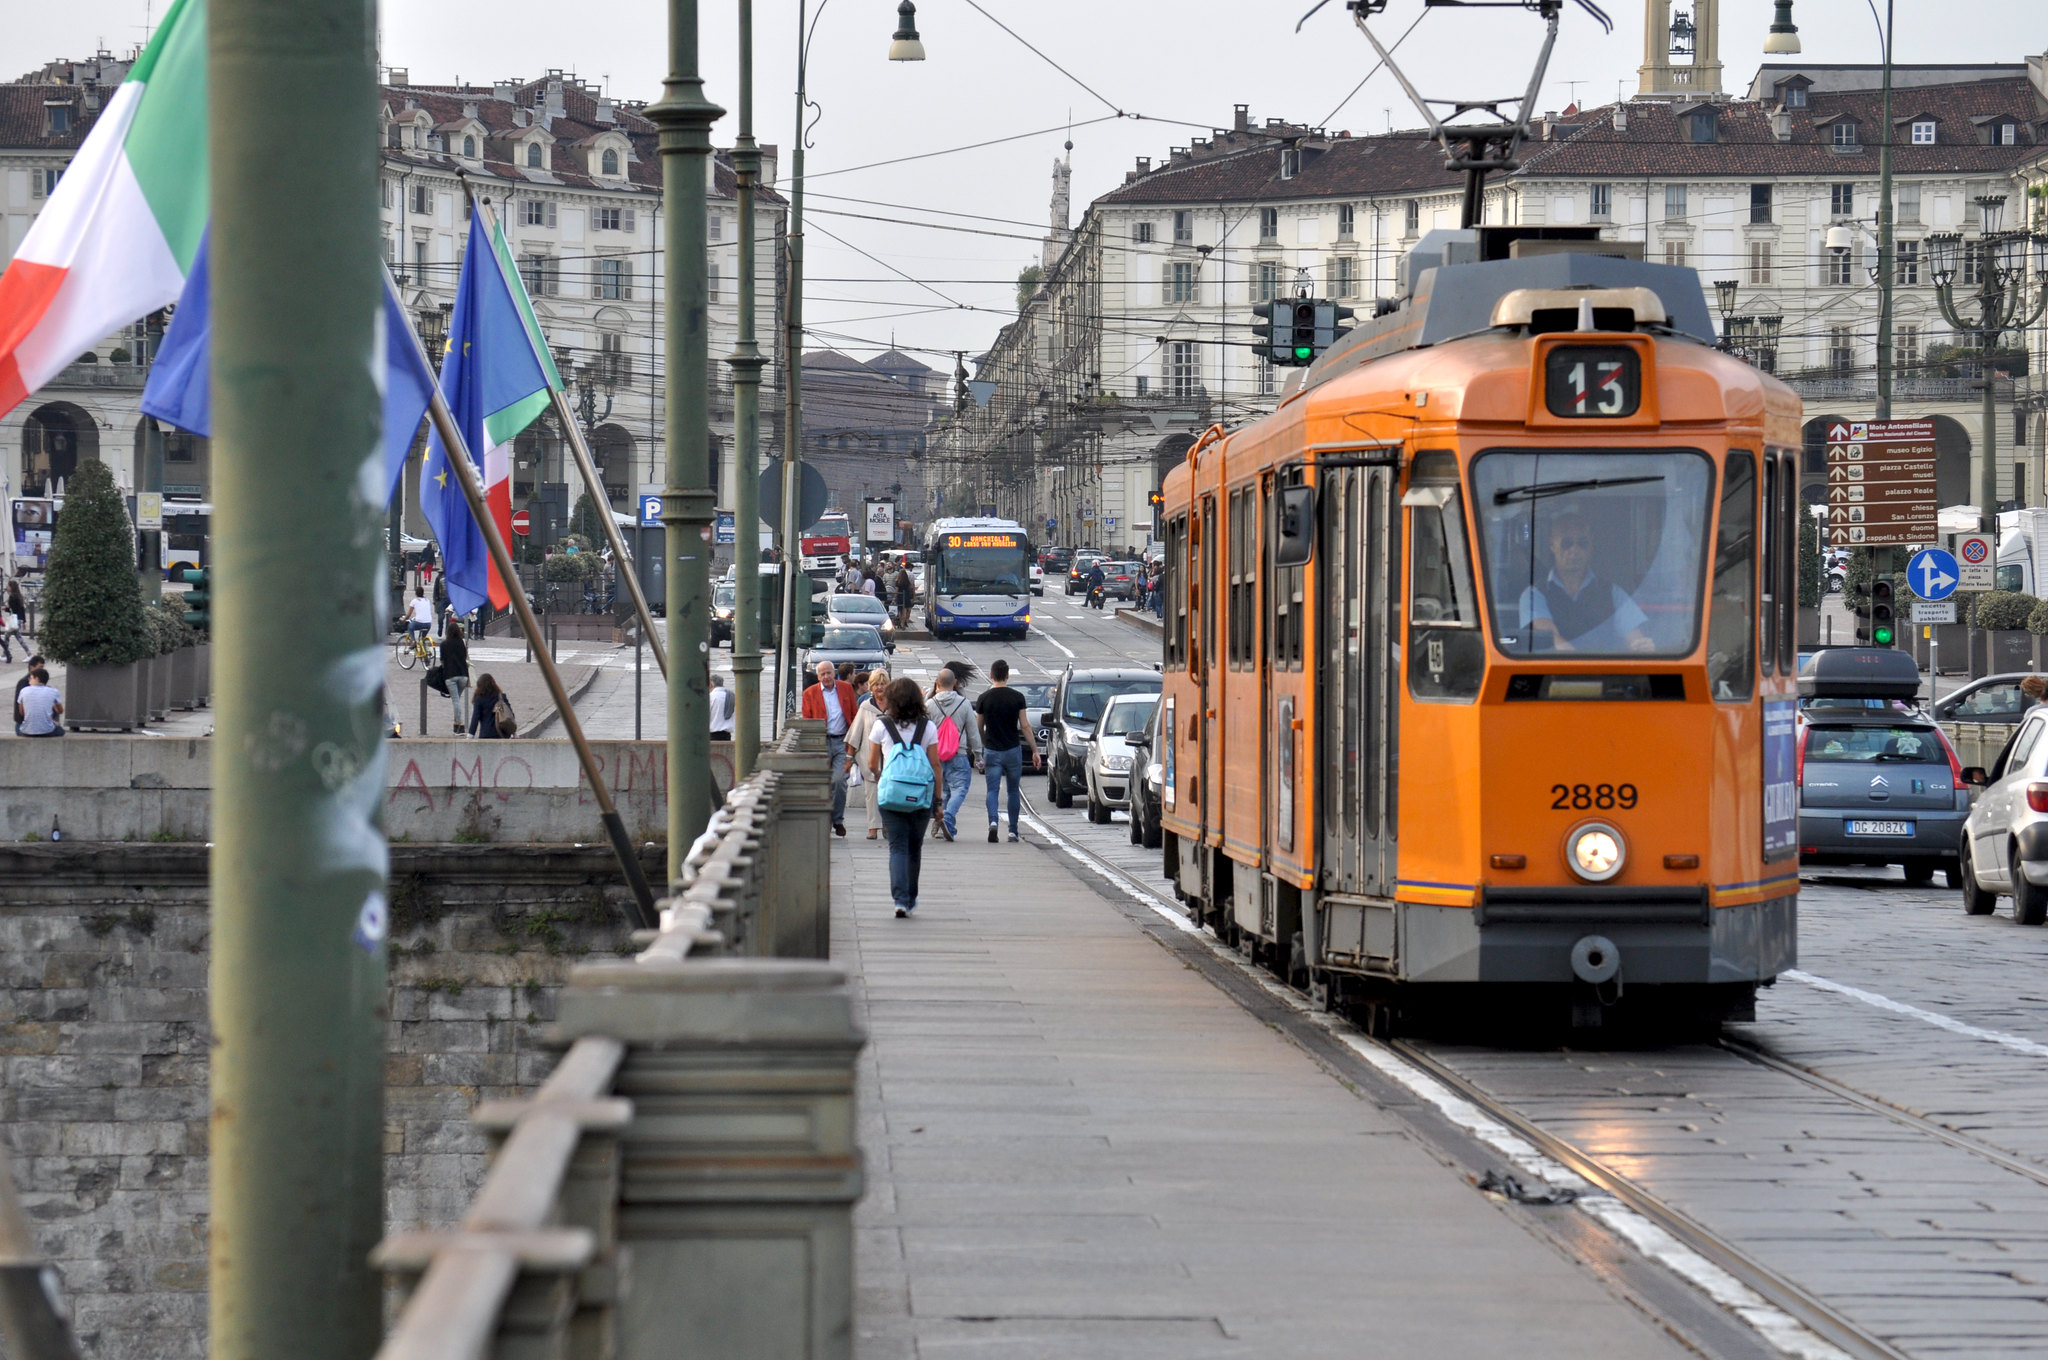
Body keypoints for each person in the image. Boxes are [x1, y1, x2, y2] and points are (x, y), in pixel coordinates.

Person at [1517, 511, 1655, 654]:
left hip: (1608, 672)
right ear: (1552, 545)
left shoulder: (1613, 592)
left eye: (1582, 543)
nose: (1575, 549)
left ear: (1591, 546)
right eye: (1567, 543)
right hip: (1556, 672)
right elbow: (1551, 638)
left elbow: (1634, 636)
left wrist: (1641, 646)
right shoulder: (1534, 595)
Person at [866, 676, 943, 918]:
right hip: (920, 796)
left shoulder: (882, 725)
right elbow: (936, 766)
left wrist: (882, 778)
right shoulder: (927, 727)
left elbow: (871, 764)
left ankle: (899, 900)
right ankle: (910, 897)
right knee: (914, 847)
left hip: (891, 796)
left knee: (896, 847)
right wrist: (938, 802)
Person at [975, 658, 1040, 842]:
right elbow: (1025, 726)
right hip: (1013, 749)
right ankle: (1012, 831)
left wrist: (981, 748)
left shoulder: (983, 698)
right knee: (1013, 790)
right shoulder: (1017, 697)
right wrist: (1034, 750)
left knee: (992, 790)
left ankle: (993, 822)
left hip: (992, 750)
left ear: (991, 675)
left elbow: (979, 727)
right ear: (1008, 675)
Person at [800, 660, 858, 836]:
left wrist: (853, 745)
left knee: (839, 781)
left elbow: (854, 715)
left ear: (834, 674)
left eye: (829, 673)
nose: (826, 677)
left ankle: (837, 820)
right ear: (818, 676)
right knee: (822, 783)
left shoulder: (846, 689)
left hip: (841, 741)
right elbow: (806, 719)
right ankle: (824, 820)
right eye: (822, 674)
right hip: (821, 742)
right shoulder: (810, 693)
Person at [927, 667, 983, 842]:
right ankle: (948, 818)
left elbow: (923, 731)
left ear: (937, 683)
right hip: (958, 753)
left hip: (935, 755)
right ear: (955, 683)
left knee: (942, 790)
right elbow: (973, 732)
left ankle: (940, 820)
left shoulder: (929, 704)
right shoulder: (964, 703)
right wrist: (978, 755)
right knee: (960, 788)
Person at [849, 670, 893, 838]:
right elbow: (855, 732)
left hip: (890, 757)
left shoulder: (895, 706)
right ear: (871, 687)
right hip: (870, 755)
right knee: (871, 793)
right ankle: (873, 827)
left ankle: (887, 824)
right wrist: (849, 757)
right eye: (876, 685)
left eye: (883, 684)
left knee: (890, 793)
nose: (880, 687)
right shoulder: (865, 706)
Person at [440, 617, 472, 735]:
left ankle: (461, 725)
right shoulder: (461, 643)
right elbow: (464, 657)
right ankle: (456, 725)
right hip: (463, 675)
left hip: (450, 675)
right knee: (457, 700)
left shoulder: (444, 644)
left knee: (456, 701)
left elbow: (442, 661)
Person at [16, 667, 63, 737]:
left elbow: (22, 712)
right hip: (47, 731)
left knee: (17, 726)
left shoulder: (24, 691)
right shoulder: (54, 691)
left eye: (31, 678)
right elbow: (60, 711)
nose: (29, 682)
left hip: (27, 731)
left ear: (37, 679)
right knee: (61, 731)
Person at [469, 673, 511, 738]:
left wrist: (470, 735)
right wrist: (513, 732)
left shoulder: (479, 699)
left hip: (486, 734)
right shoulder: (501, 697)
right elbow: (509, 714)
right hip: (502, 734)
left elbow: (475, 718)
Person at [1, 577, 26, 661]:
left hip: (14, 620)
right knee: (10, 637)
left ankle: (6, 654)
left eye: (8, 586)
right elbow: (21, 609)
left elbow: (13, 610)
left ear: (11, 587)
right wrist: (24, 621)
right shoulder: (19, 596)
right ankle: (5, 654)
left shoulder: (12, 597)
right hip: (18, 619)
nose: (8, 588)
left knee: (11, 637)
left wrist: (6, 608)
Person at [709, 672, 735, 743]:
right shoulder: (732, 696)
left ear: (710, 685)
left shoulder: (710, 697)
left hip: (712, 735)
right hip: (727, 735)